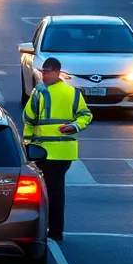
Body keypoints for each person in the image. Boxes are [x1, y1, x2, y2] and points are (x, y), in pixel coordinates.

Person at [23, 57, 93, 241]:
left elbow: (28, 118)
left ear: (56, 72)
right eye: (42, 72)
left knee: (47, 193)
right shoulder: (73, 93)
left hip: (45, 151)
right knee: (56, 191)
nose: (43, 75)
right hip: (61, 154)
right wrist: (76, 126)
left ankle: (53, 231)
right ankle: (54, 229)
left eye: (46, 71)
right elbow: (85, 115)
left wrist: (28, 145)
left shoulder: (41, 93)